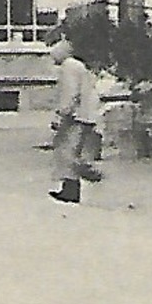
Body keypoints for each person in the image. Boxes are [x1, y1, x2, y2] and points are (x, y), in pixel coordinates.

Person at [46, 36, 100, 204]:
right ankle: (70, 188)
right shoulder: (77, 65)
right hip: (86, 113)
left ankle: (76, 184)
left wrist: (61, 114)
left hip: (77, 115)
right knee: (70, 150)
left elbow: (70, 93)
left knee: (66, 151)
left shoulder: (68, 67)